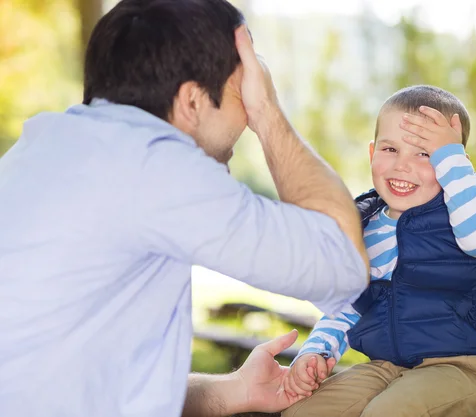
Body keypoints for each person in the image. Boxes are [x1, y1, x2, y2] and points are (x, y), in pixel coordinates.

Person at [0, 0, 370, 416]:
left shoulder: (45, 146)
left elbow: (92, 389)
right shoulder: (153, 163)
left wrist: (233, 390)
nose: (247, 109)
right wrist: (269, 112)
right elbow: (342, 264)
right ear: (192, 101)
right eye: (240, 90)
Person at [282, 85, 476, 417]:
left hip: (467, 368)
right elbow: (347, 306)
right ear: (372, 153)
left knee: (389, 412)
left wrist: (451, 160)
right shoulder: (362, 226)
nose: (402, 165)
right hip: (388, 368)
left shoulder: (467, 211)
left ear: (455, 163)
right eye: (390, 149)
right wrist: (316, 353)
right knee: (304, 412)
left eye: (424, 153)